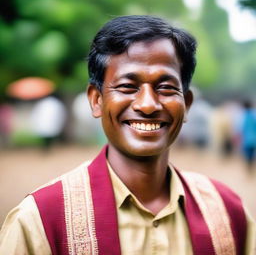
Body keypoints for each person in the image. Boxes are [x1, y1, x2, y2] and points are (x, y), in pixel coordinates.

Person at [0, 15, 255, 255]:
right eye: (127, 87)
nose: (147, 105)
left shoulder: (227, 212)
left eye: (165, 87)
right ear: (97, 100)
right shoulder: (41, 219)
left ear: (186, 103)